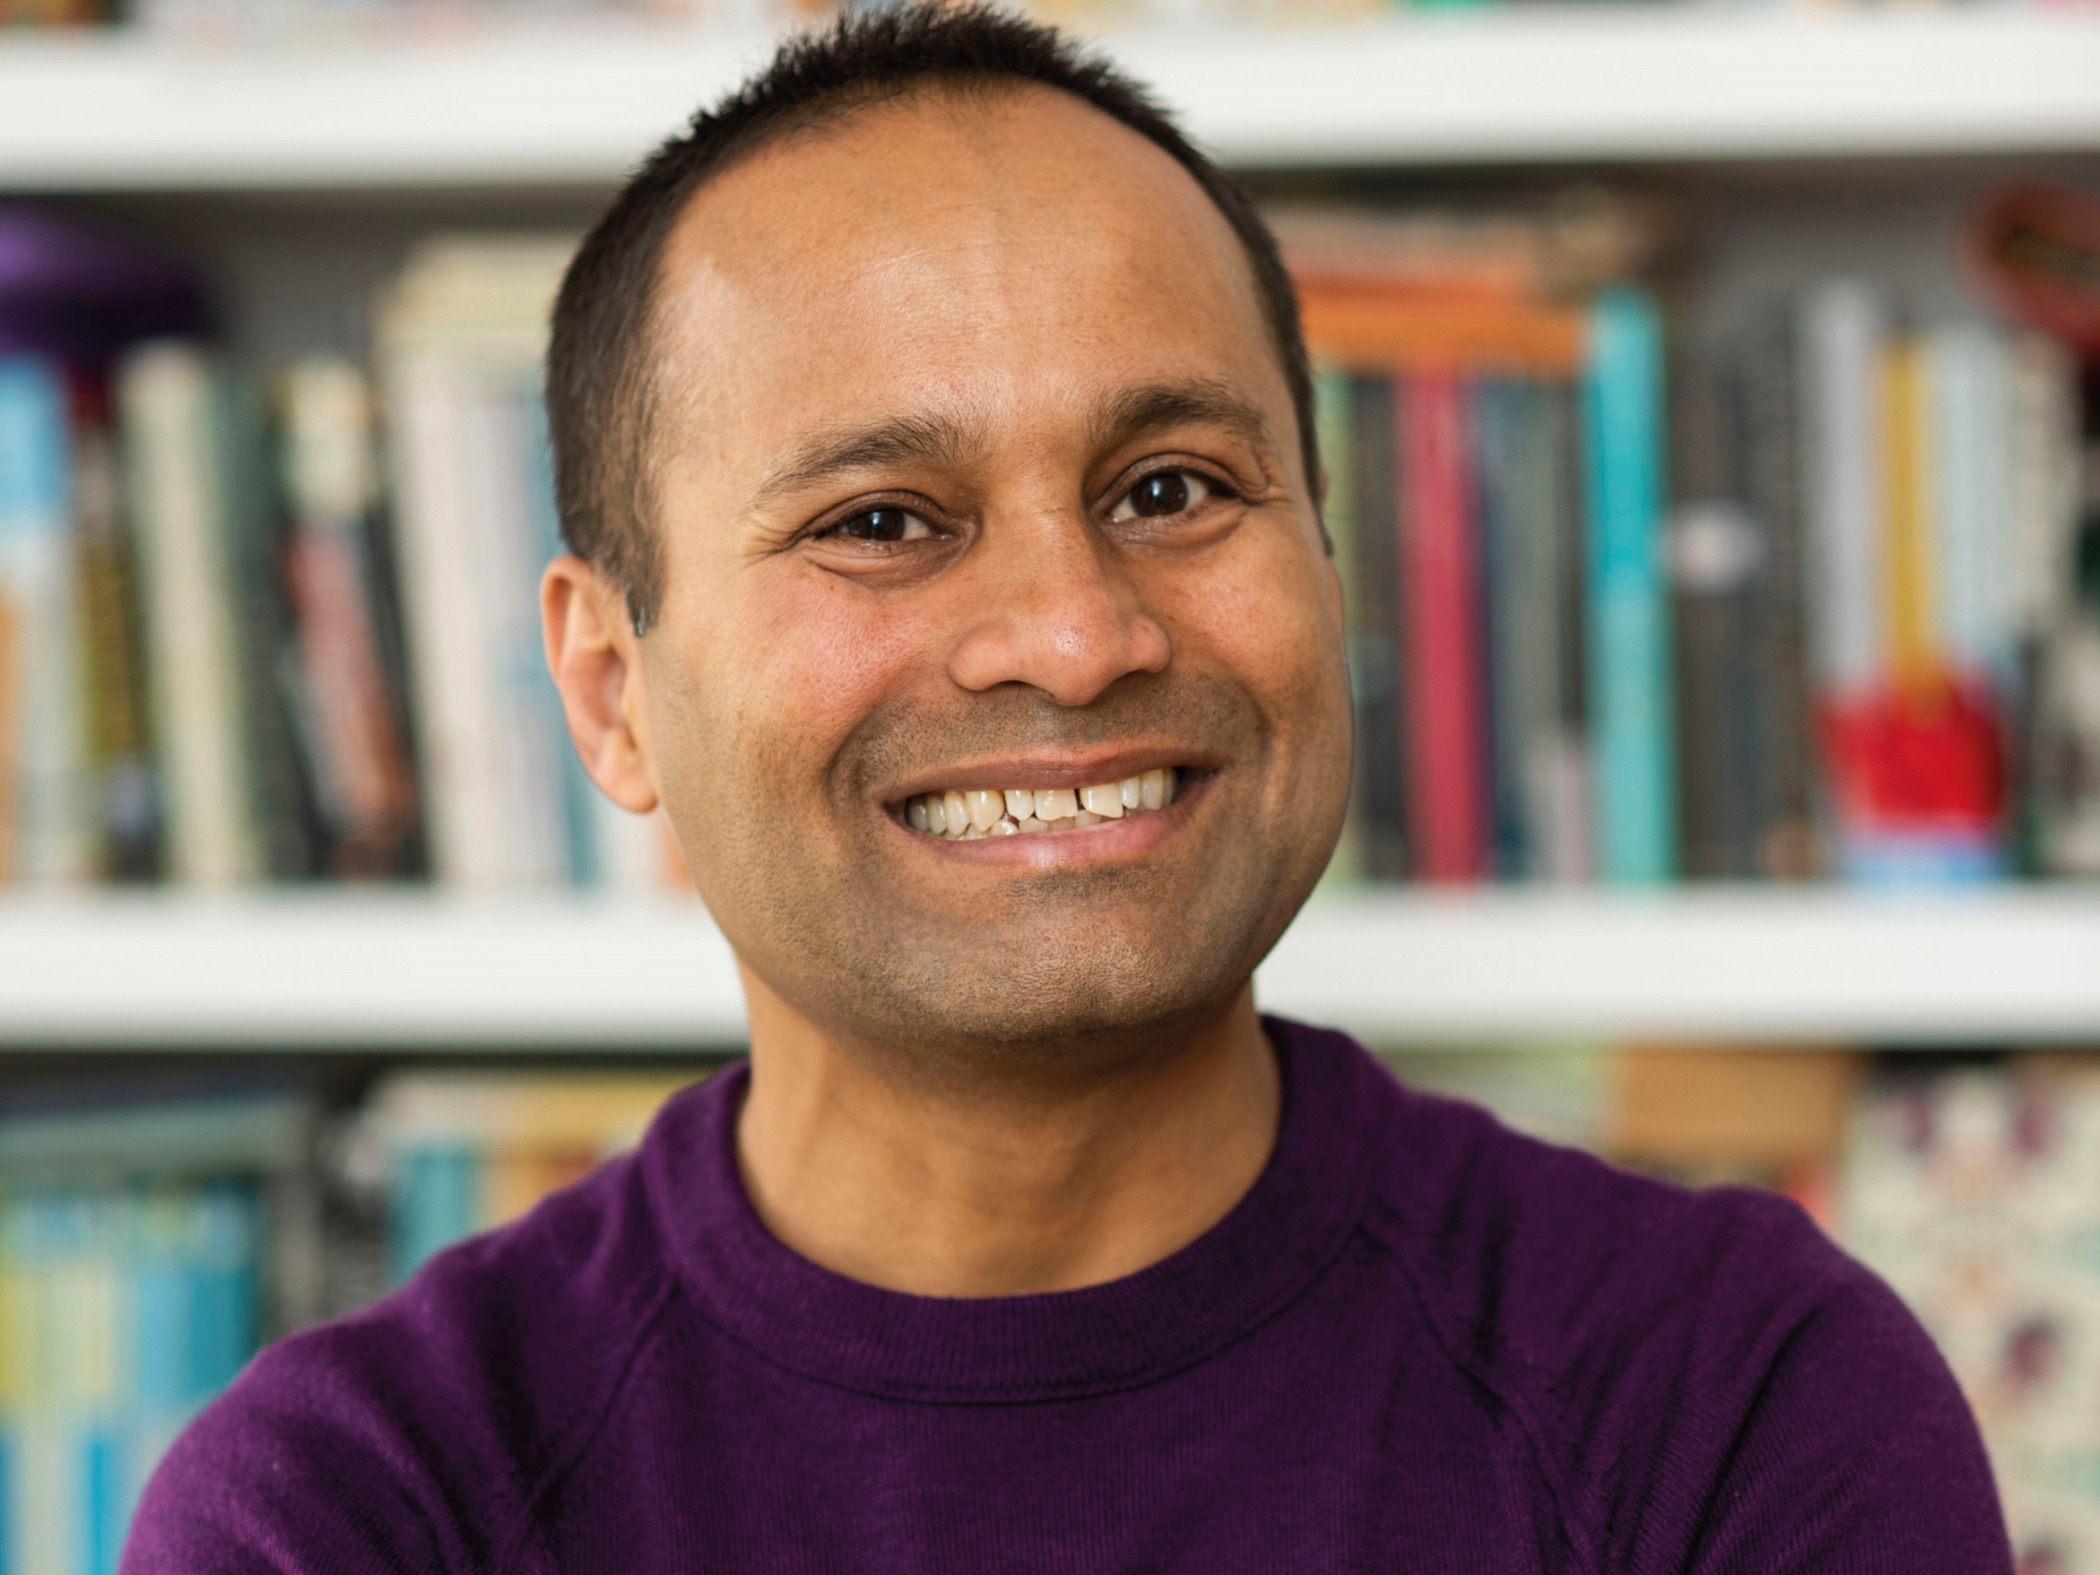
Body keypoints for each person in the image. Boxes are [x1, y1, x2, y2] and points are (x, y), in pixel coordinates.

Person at [125, 7, 2012, 1570]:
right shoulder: (360, 1508)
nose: (1073, 633)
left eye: (1175, 489)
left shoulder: (1735, 1401)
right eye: (882, 522)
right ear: (614, 693)